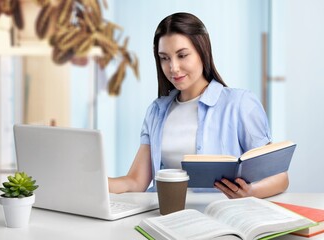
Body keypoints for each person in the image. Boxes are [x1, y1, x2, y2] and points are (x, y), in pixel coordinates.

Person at [108, 12, 288, 199]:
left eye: (182, 55)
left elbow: (280, 177)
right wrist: (96, 182)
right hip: (167, 214)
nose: (173, 68)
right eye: (164, 58)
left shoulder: (240, 103)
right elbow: (135, 182)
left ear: (202, 51)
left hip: (218, 216)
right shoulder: (156, 111)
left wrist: (250, 192)